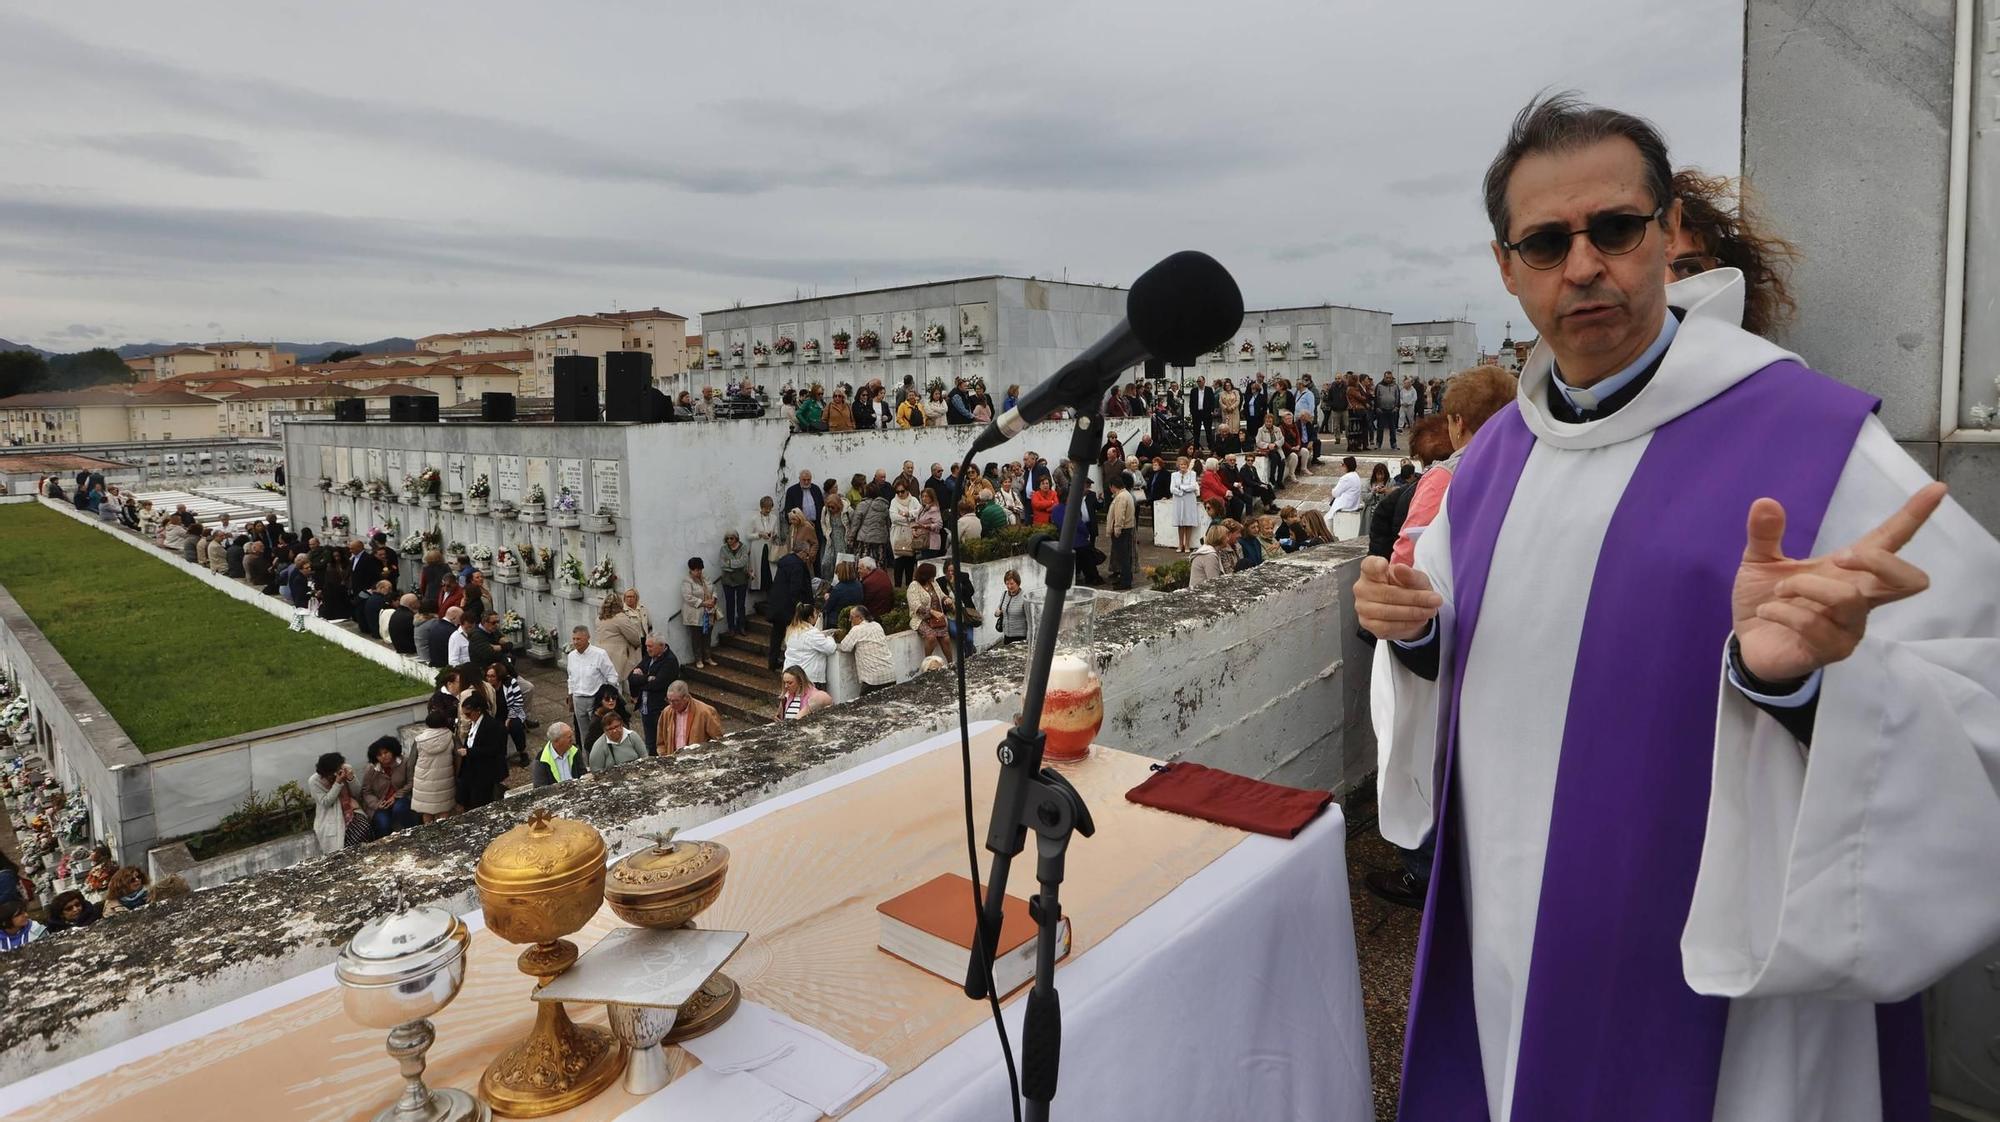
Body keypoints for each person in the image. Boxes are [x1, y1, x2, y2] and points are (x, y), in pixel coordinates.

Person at [1362, 92, 2000, 1122]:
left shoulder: (1814, 445)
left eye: (1612, 229)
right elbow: (1479, 671)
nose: (1581, 267)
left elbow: (1976, 702)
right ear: (1505, 267)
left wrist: (1801, 688)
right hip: (1518, 933)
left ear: (1665, 236)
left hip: (1721, 991)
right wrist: (1419, 637)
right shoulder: (1490, 467)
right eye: (1543, 241)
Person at [1390, 370, 1516, 568]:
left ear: (1459, 422)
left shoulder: (1445, 476)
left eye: (1448, 421)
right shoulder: (1528, 465)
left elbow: (1406, 557)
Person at [564, 625, 621, 736]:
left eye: (579, 639)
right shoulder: (571, 656)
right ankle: (586, 753)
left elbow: (612, 676)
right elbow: (571, 678)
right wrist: (570, 696)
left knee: (599, 732)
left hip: (595, 699)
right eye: (574, 639)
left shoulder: (599, 654)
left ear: (588, 638)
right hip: (578, 700)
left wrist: (608, 697)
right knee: (583, 734)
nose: (575, 642)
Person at [455, 691, 508, 809]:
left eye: (468, 714)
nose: (466, 717)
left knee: (480, 802)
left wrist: (469, 752)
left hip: (485, 772)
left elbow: (495, 749)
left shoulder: (493, 726)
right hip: (471, 770)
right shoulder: (474, 723)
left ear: (478, 710)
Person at [410, 698, 458, 822]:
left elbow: (411, 763)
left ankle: (430, 834)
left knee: (427, 812)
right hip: (445, 779)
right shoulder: (451, 737)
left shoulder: (419, 740)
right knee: (444, 810)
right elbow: (458, 757)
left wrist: (412, 779)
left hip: (423, 782)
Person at [309, 751, 365, 855]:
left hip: (350, 808)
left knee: (363, 826)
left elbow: (357, 793)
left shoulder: (345, 769)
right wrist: (338, 783)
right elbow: (326, 802)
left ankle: (362, 853)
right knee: (340, 841)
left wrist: (351, 779)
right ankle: (349, 856)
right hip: (330, 814)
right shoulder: (314, 781)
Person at [361, 736, 414, 838]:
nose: (383, 756)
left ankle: (413, 834)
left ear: (393, 751)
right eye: (379, 755)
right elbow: (366, 791)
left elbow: (411, 782)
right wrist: (377, 804)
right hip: (381, 803)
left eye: (386, 752)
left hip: (401, 798)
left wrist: (396, 796)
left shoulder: (404, 762)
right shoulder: (371, 769)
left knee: (400, 809)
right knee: (383, 824)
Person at [837, 605, 897, 693]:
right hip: (890, 674)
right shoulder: (877, 625)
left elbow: (844, 647)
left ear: (860, 618)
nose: (850, 620)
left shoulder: (857, 629)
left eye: (851, 617)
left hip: (873, 680)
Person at [657, 680, 723, 755]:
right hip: (673, 761)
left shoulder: (705, 712)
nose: (671, 705)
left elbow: (718, 741)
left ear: (686, 698)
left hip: (697, 761)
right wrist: (665, 758)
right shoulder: (666, 712)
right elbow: (661, 742)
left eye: (676, 701)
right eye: (669, 700)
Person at [907, 562, 953, 666]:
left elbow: (941, 594)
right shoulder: (914, 586)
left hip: (937, 620)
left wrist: (946, 599)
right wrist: (931, 612)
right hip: (921, 619)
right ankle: (927, 664)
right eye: (932, 575)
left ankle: (951, 664)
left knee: (945, 639)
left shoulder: (934, 583)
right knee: (931, 637)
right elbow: (916, 606)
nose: (934, 577)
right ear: (925, 576)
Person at [594, 592, 645, 685]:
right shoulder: (620, 618)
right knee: (616, 683)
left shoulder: (599, 618)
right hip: (616, 655)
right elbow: (634, 638)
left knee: (604, 682)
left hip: (600, 652)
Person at [682, 557, 719, 668]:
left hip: (709, 612)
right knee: (696, 638)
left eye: (700, 570)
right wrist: (703, 603)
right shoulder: (687, 581)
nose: (699, 572)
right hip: (695, 614)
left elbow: (714, 589)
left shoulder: (705, 578)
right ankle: (698, 659)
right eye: (697, 570)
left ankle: (707, 657)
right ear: (691, 570)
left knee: (707, 636)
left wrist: (713, 599)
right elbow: (687, 597)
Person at [716, 530, 752, 636]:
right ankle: (731, 627)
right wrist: (736, 565)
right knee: (729, 604)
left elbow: (743, 562)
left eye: (731, 538)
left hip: (741, 579)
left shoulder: (743, 547)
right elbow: (722, 564)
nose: (729, 540)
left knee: (741, 605)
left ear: (736, 538)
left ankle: (741, 626)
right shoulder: (723, 548)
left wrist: (730, 563)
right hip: (727, 580)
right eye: (727, 538)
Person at [1105, 473, 1137, 589]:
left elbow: (1119, 515)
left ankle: (1125, 582)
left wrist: (1117, 530)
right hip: (1126, 529)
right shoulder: (1125, 495)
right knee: (1125, 556)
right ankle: (1124, 579)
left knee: (1123, 557)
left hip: (1122, 530)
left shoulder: (1121, 497)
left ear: (1113, 486)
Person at [532, 722, 589, 787]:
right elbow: (540, 789)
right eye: (569, 737)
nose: (572, 739)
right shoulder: (541, 760)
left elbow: (583, 774)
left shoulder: (575, 750)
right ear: (556, 741)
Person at [888, 482, 921, 584]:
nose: (900, 494)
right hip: (898, 534)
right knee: (898, 562)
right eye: (897, 492)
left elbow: (919, 512)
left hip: (911, 534)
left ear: (907, 490)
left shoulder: (914, 500)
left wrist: (908, 514)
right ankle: (897, 588)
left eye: (902, 491)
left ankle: (909, 586)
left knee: (910, 563)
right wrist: (909, 518)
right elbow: (893, 517)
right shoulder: (894, 501)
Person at [822, 559, 864, 629]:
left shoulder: (838, 589)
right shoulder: (859, 585)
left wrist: (828, 599)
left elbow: (827, 608)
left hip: (837, 620)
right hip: (855, 616)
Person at [992, 569, 1030, 643]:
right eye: (1007, 583)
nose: (1009, 586)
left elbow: (1030, 620)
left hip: (1021, 637)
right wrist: (997, 613)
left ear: (1018, 583)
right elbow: (998, 610)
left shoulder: (1025, 597)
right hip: (1006, 636)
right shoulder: (1004, 594)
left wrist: (1029, 638)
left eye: (1012, 583)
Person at [1187, 525, 1230, 590]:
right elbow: (1214, 582)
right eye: (1226, 536)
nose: (1228, 539)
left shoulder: (1210, 551)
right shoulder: (1209, 556)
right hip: (1199, 593)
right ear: (1220, 538)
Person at [858, 554, 895, 619]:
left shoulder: (868, 582)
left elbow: (864, 602)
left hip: (875, 615)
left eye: (860, 568)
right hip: (886, 610)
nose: (858, 571)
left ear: (868, 569)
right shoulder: (881, 573)